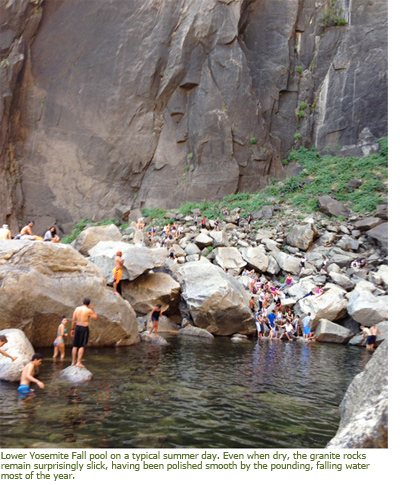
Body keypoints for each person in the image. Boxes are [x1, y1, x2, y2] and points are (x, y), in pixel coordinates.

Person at [71, 298, 98, 368]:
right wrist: (93, 309)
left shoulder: (77, 309)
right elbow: (95, 318)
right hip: (84, 328)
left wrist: (72, 329)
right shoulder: (89, 310)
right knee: (82, 346)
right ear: (89, 304)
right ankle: (78, 362)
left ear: (82, 302)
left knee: (75, 345)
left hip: (77, 327)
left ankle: (73, 362)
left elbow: (73, 320)